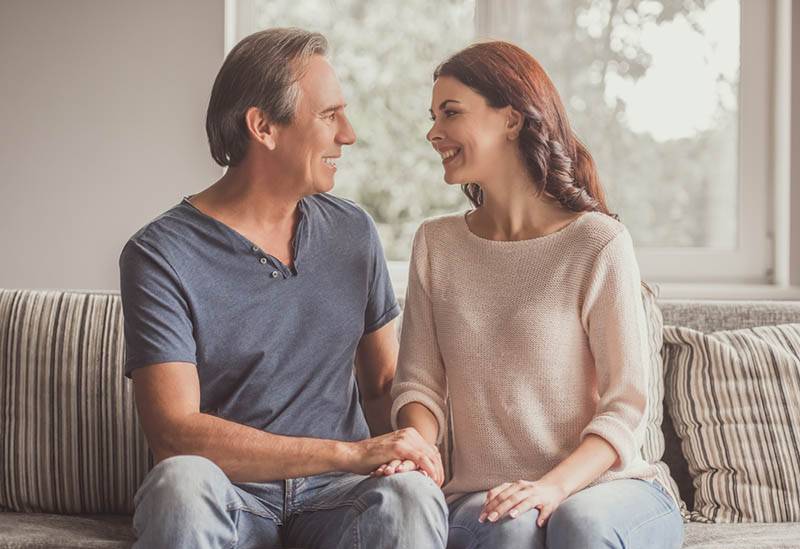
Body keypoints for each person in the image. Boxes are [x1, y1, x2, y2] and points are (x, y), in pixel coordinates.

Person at [119, 27, 447, 549]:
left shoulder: (352, 233)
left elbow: (384, 384)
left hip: (340, 498)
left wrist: (408, 453)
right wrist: (347, 453)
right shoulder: (160, 254)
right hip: (231, 493)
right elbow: (174, 433)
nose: (349, 134)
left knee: (412, 498)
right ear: (263, 127)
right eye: (329, 115)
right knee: (180, 484)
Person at [382, 41, 684, 548]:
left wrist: (551, 487)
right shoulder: (437, 244)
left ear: (512, 120)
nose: (433, 133)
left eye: (450, 113)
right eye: (433, 116)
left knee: (578, 524)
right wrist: (416, 451)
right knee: (511, 528)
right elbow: (419, 386)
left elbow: (625, 406)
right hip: (486, 494)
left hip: (609, 489)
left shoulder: (598, 242)